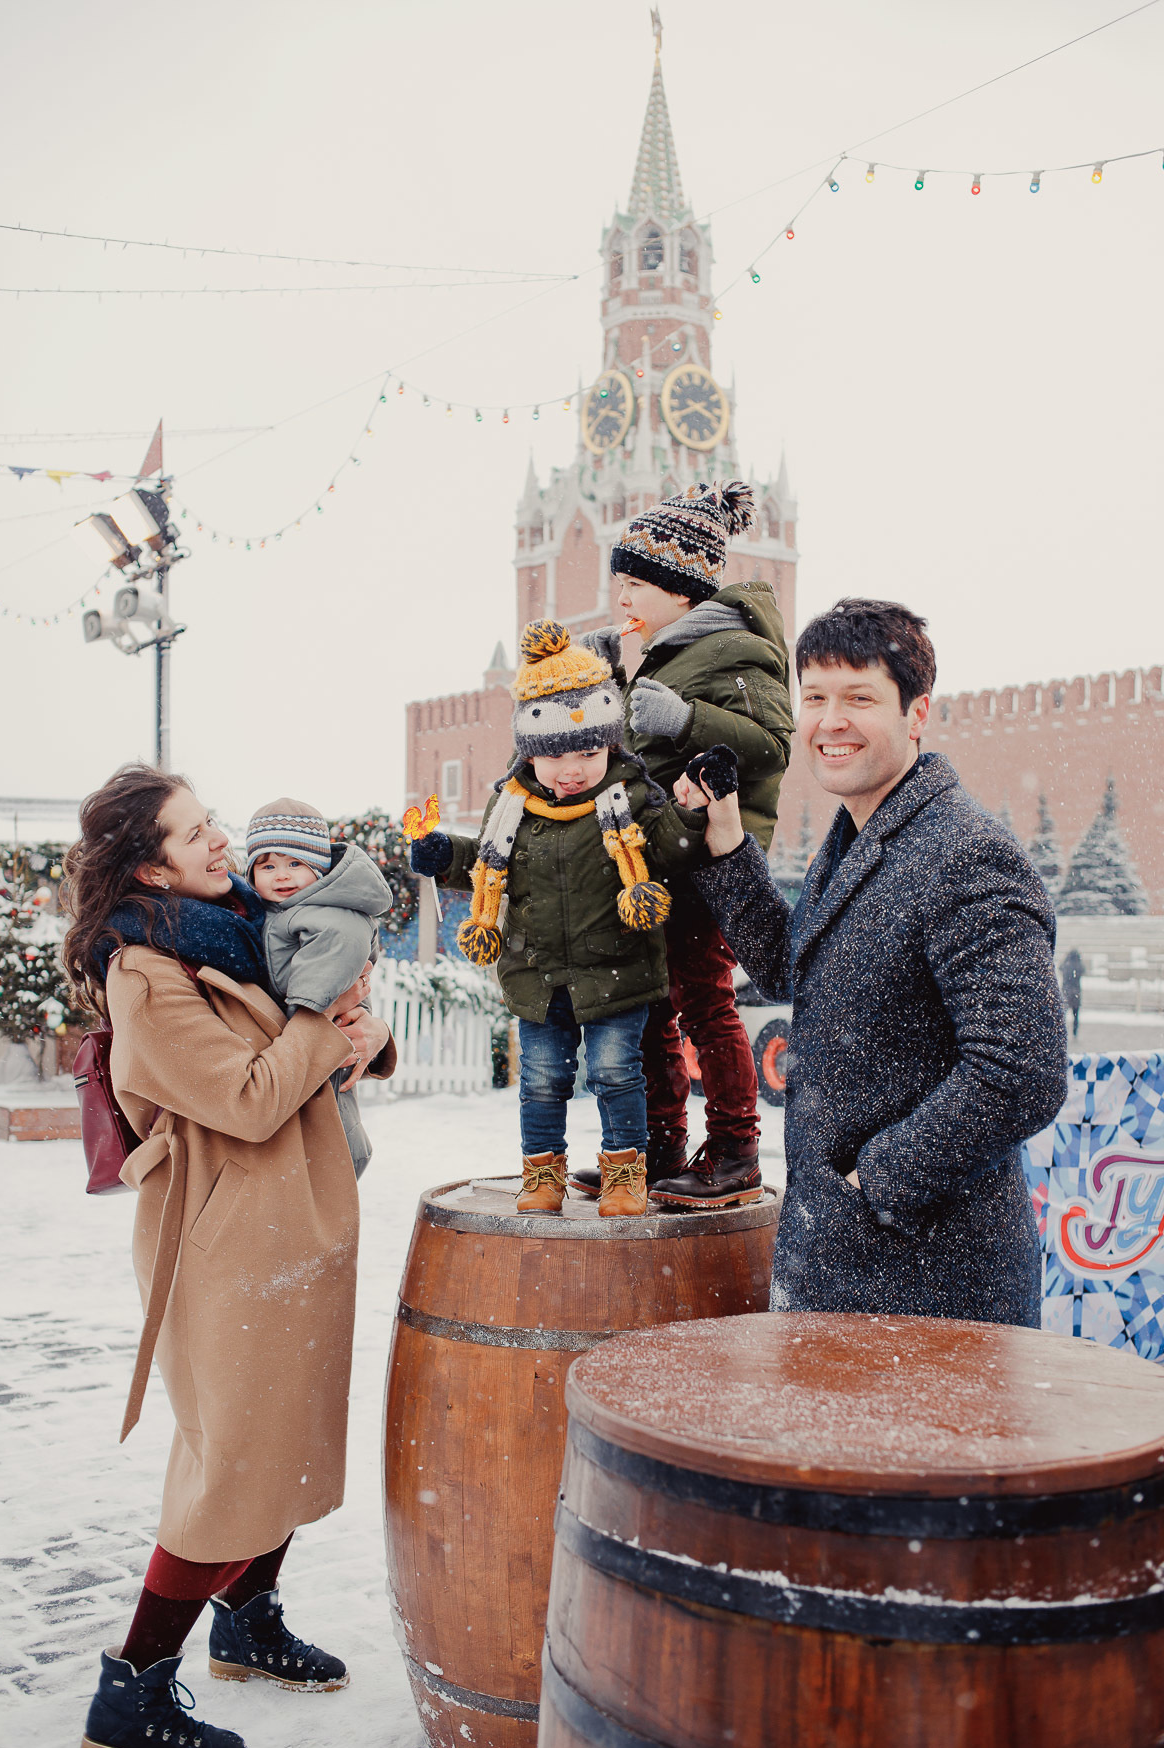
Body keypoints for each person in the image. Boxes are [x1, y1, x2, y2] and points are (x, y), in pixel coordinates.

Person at [61, 764, 394, 1748]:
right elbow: (250, 1095)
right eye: (195, 832)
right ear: (149, 862)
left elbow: (329, 1037)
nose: (220, 843)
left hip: (291, 1220)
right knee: (232, 1459)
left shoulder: (239, 927)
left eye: (213, 824)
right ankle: (133, 1689)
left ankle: (246, 1621)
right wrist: (323, 1029)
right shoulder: (146, 970)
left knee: (285, 1436)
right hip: (224, 1236)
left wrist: (368, 1041)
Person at [674, 598, 1068, 1325]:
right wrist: (725, 837)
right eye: (816, 697)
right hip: (835, 1270)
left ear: (917, 713)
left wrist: (876, 1179)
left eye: (860, 697)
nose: (831, 721)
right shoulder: (861, 835)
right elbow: (796, 969)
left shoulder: (964, 855)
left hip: (928, 1286)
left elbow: (1023, 1071)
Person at [408, 619, 709, 1217]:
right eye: (552, 754)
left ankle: (625, 1175)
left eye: (587, 752)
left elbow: (670, 849)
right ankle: (541, 1176)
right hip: (537, 975)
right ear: (528, 750)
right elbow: (490, 861)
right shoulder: (512, 804)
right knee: (542, 1081)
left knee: (617, 1075)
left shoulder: (630, 798)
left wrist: (692, 812)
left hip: (617, 973)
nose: (570, 769)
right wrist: (446, 854)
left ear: (610, 746)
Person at [580, 479, 793, 1206]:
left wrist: (687, 720)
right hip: (660, 859)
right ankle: (657, 1148)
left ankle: (735, 1151)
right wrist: (607, 681)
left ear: (680, 588)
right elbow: (638, 760)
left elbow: (771, 745)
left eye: (634, 582)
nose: (622, 597)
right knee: (651, 1007)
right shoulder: (667, 655)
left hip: (709, 860)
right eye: (618, 583)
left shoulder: (737, 648)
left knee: (705, 1004)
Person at [245, 795, 393, 1176]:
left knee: (324, 1126)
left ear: (320, 867)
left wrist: (305, 1016)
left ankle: (342, 1159)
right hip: (303, 1052)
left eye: (296, 863)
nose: (281, 875)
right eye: (268, 865)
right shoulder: (285, 912)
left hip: (314, 1040)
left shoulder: (329, 917)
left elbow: (325, 981)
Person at [1060, 947, 1085, 1039]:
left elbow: (1060, 968)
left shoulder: (1066, 964)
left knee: (1063, 1014)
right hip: (1076, 992)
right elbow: (1083, 970)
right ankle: (1074, 1031)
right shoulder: (1078, 965)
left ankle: (1062, 1030)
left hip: (1066, 992)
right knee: (1075, 1014)